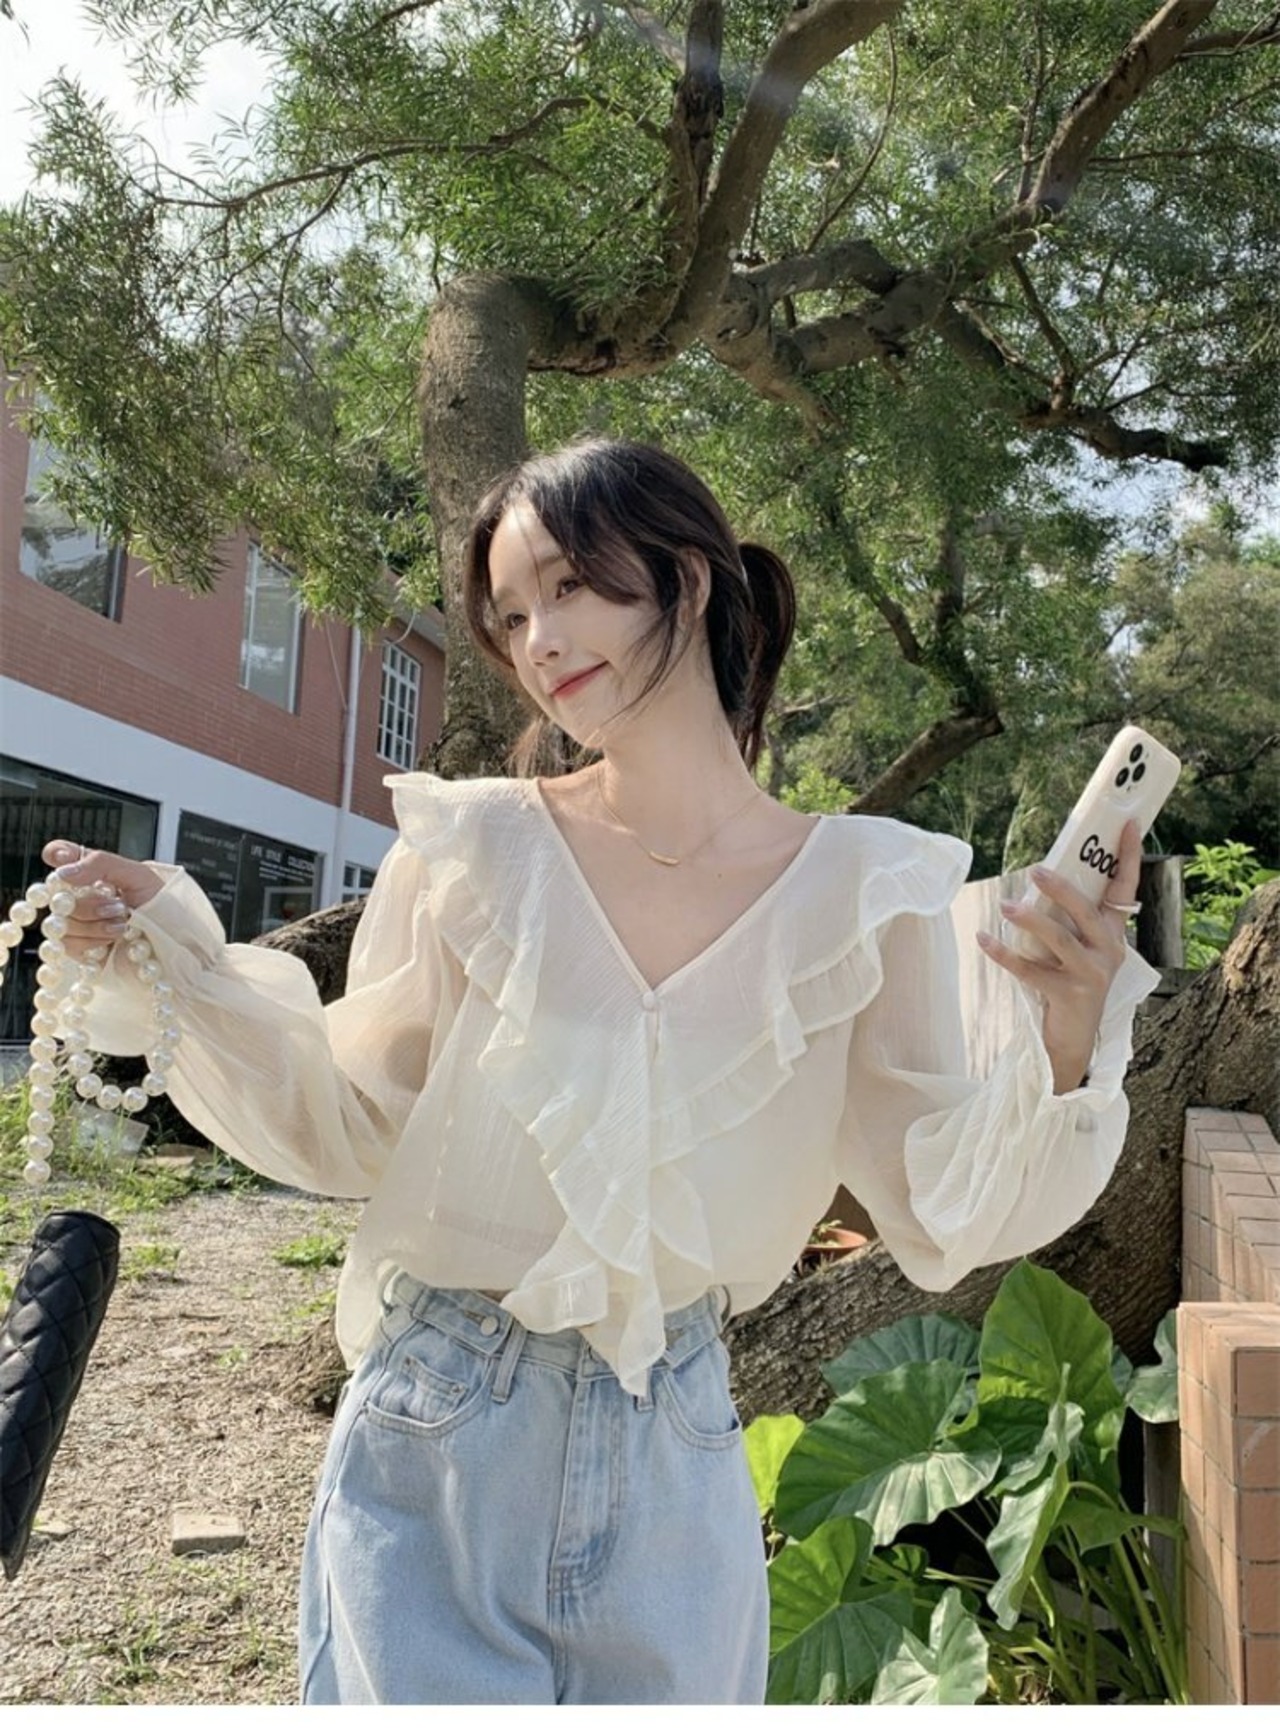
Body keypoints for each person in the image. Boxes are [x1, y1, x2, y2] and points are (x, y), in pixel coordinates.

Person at [42, 438, 1155, 1705]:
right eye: (510, 612)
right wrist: (170, 957)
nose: (539, 640)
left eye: (569, 586)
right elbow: (352, 1119)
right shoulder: (474, 850)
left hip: (675, 1439)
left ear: (686, 575)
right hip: (442, 1426)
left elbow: (934, 1195)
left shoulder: (865, 891)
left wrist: (1067, 1028)